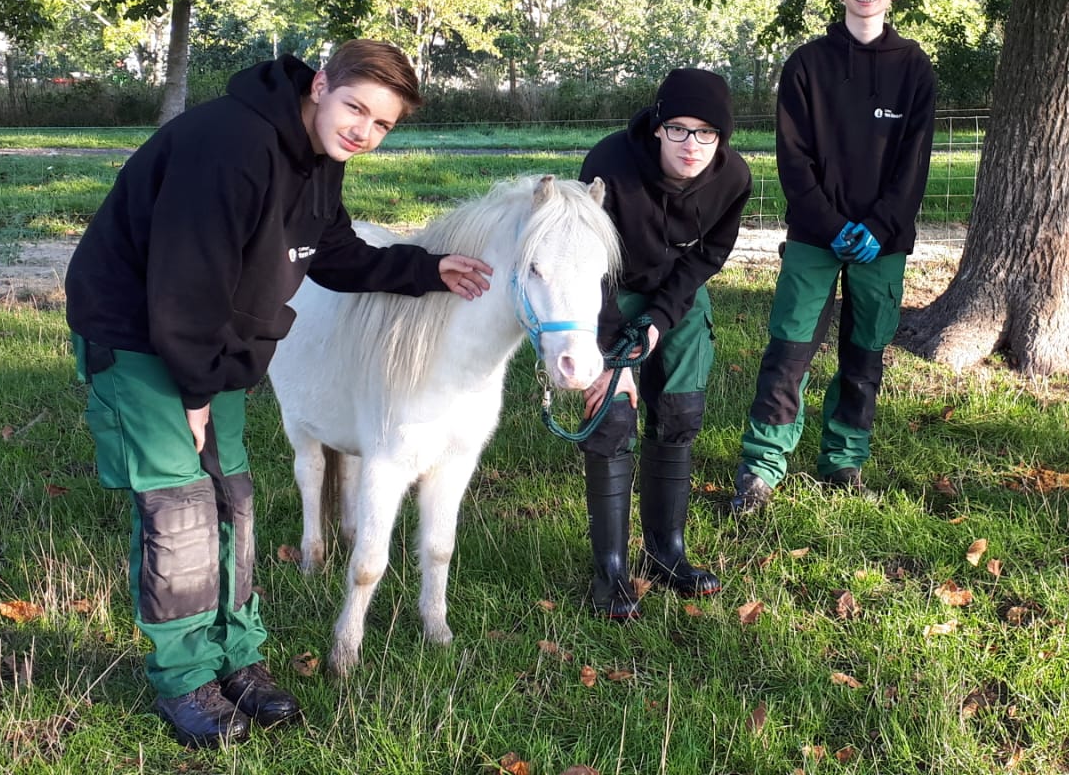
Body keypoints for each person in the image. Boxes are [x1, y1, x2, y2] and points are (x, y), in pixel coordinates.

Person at [64, 41, 492, 747]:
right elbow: (183, 283)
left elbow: (338, 254)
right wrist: (196, 391)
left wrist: (428, 268)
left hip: (213, 342)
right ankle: (185, 679)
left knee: (230, 499)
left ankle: (238, 659)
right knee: (178, 511)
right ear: (321, 84)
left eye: (381, 124)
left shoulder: (319, 159)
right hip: (142, 336)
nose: (363, 130)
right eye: (355, 107)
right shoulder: (231, 146)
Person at [731, 0, 936, 514]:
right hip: (814, 239)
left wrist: (878, 224)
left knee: (864, 355)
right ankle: (762, 465)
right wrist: (829, 223)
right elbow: (792, 158)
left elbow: (914, 163)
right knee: (789, 352)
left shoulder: (915, 69)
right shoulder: (807, 66)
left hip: (884, 242)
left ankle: (844, 458)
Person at [574, 68, 752, 618]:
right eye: (678, 129)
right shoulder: (609, 164)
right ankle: (611, 568)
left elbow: (705, 258)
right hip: (609, 289)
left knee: (679, 408)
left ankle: (665, 552)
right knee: (613, 414)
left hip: (676, 295)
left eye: (706, 133)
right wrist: (618, 356)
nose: (691, 144)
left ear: (721, 138)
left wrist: (655, 323)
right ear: (656, 127)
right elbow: (589, 263)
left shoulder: (734, 179)